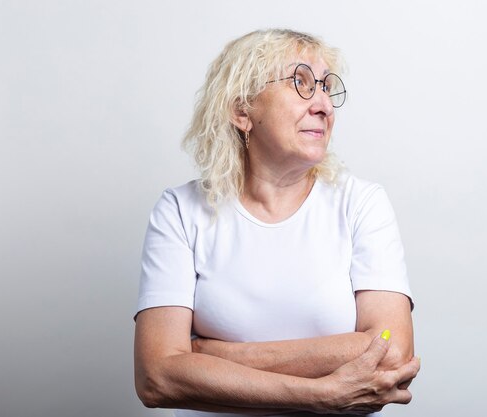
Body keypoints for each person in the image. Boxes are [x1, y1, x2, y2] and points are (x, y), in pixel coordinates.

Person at [134, 28, 420, 416]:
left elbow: (391, 350)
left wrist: (208, 355)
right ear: (242, 111)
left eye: (326, 87)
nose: (324, 105)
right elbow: (156, 377)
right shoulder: (180, 211)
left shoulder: (362, 204)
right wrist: (320, 395)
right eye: (300, 83)